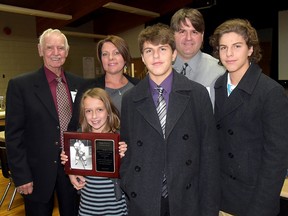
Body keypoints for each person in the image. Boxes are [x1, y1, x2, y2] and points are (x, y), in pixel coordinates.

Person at [119, 23, 220, 216]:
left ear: (174, 54)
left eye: (162, 49)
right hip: (145, 197)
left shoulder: (197, 94)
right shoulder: (130, 99)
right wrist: (129, 181)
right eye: (149, 50)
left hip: (187, 197)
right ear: (142, 57)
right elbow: (128, 149)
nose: (156, 56)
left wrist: (209, 208)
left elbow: (209, 156)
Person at [209, 18, 288, 216]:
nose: (229, 54)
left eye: (237, 46)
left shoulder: (270, 92)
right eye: (223, 47)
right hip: (220, 196)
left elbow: (276, 158)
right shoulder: (218, 85)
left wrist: (260, 208)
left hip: (253, 199)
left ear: (250, 49)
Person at [5, 28, 86, 215]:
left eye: (60, 48)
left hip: (74, 168)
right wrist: (21, 175)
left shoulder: (80, 84)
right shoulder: (20, 86)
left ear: (67, 51)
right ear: (40, 50)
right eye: (50, 48)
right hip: (37, 172)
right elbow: (14, 136)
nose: (56, 53)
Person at [61, 87, 128, 215]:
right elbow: (76, 172)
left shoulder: (120, 138)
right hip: (88, 206)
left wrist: (124, 157)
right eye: (88, 111)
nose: (94, 116)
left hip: (116, 208)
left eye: (100, 110)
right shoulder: (79, 139)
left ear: (108, 111)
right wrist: (69, 167)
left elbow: (132, 175)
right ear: (83, 114)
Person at [68, 35, 139, 132]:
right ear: (101, 59)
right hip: (100, 146)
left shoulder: (139, 87)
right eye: (105, 54)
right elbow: (75, 125)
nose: (110, 58)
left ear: (125, 57)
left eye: (116, 53)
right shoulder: (87, 88)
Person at [170, 8, 225, 105]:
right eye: (182, 31)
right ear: (172, 35)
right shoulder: (161, 70)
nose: (188, 38)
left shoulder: (220, 71)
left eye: (194, 32)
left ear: (202, 35)